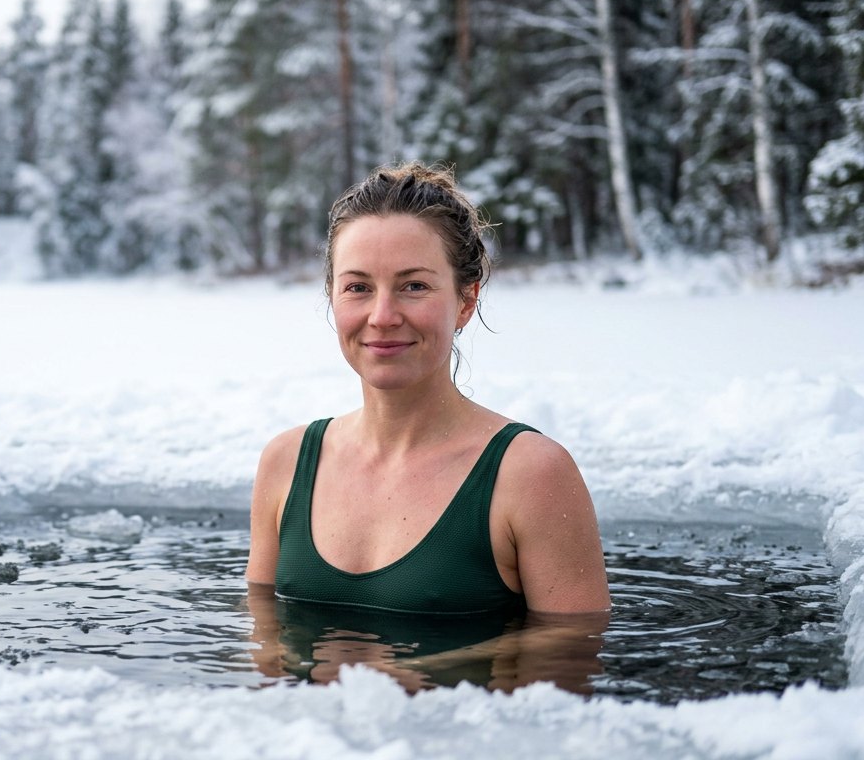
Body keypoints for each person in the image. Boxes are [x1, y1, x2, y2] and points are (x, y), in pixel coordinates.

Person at [245, 162, 610, 621]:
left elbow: (570, 653)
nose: (382, 315)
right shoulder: (287, 463)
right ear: (332, 297)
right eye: (357, 287)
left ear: (466, 301)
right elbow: (262, 639)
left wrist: (410, 674)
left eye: (413, 286)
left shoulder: (531, 474)